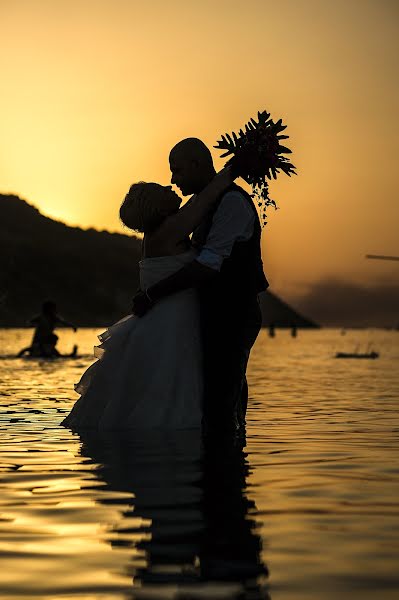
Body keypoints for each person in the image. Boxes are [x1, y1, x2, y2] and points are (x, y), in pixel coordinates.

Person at [62, 165, 238, 431]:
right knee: (169, 388)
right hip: (173, 322)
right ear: (158, 206)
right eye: (162, 190)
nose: (170, 187)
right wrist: (237, 164)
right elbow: (206, 198)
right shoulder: (171, 228)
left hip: (161, 319)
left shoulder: (154, 236)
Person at [133, 138, 268, 439]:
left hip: (234, 311)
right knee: (220, 394)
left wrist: (153, 294)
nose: (173, 180)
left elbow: (208, 264)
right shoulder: (199, 208)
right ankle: (223, 464)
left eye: (177, 171)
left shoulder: (230, 202)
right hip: (209, 315)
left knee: (223, 396)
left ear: (197, 164)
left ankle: (227, 467)